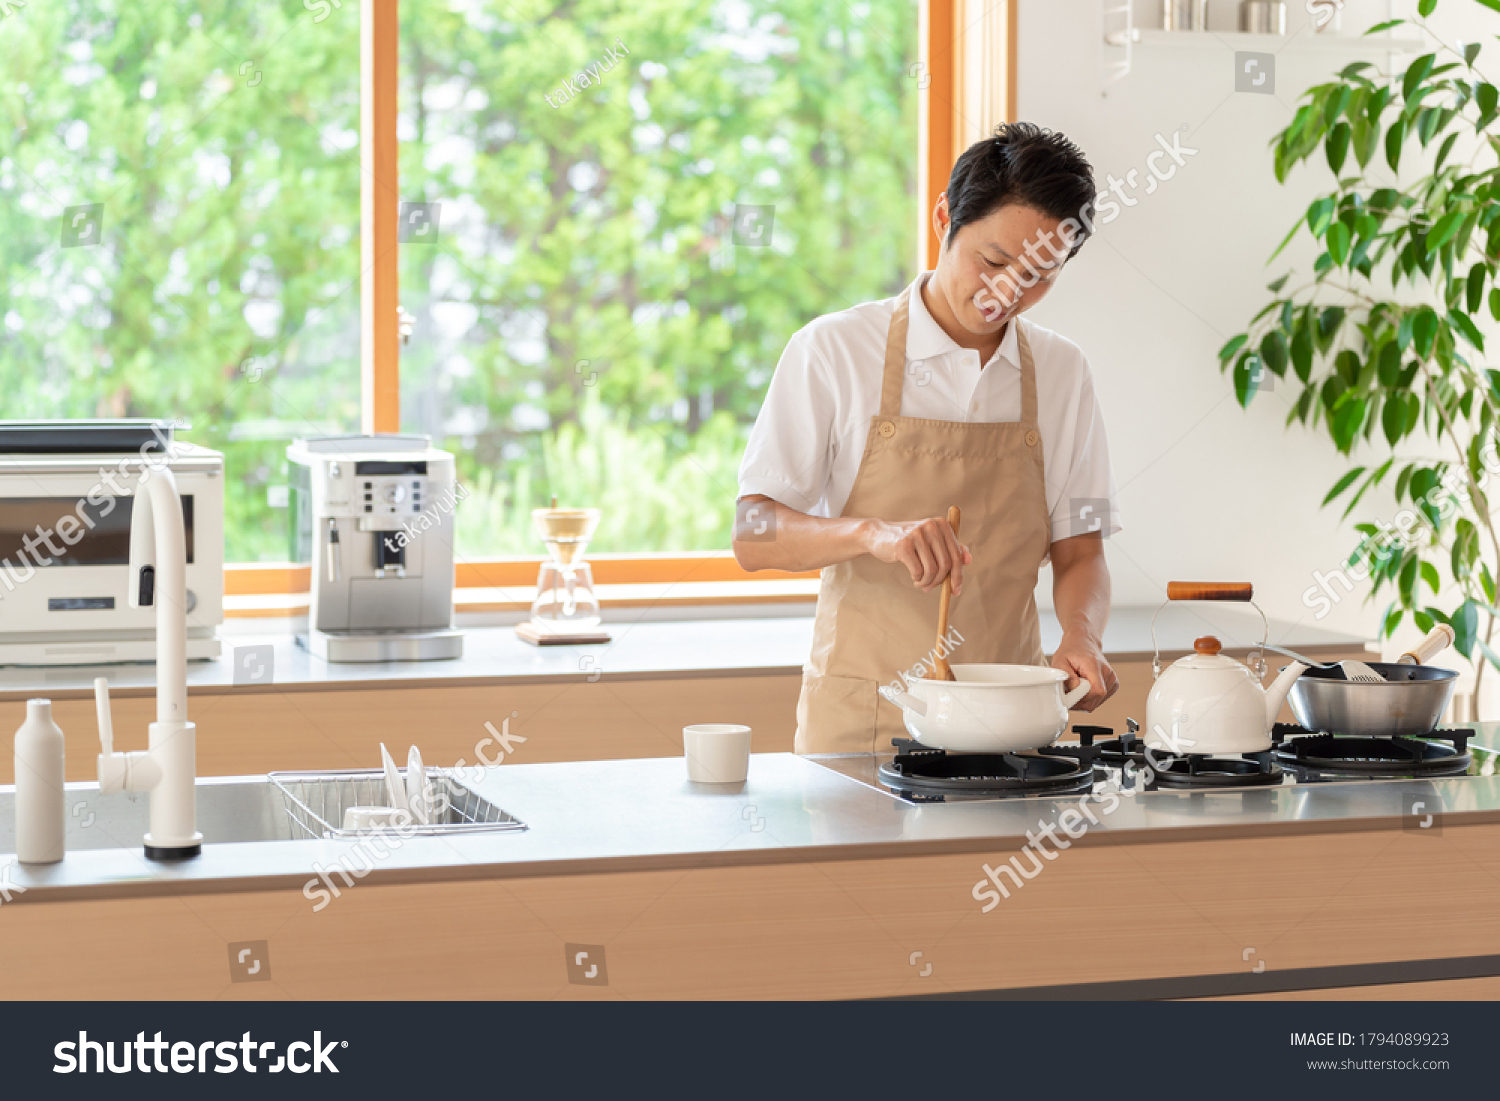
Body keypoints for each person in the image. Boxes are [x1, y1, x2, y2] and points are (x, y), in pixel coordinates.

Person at [733, 122, 1121, 755]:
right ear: (944, 218)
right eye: (993, 261)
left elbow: (1081, 548)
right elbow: (751, 536)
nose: (1007, 293)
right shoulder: (832, 350)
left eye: (1040, 275)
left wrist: (1082, 639)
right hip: (864, 720)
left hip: (1011, 721)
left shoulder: (1062, 371)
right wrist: (872, 533)